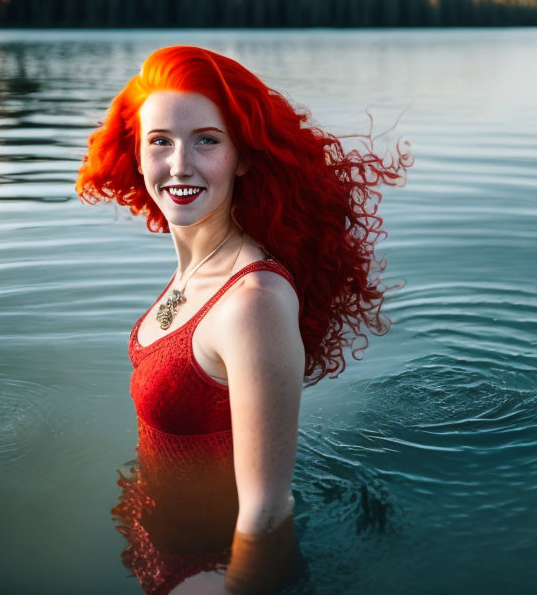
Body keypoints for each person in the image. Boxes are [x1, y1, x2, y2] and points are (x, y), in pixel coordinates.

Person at [74, 45, 413, 594]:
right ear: (135, 154)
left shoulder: (252, 300)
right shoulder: (197, 267)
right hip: (160, 548)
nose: (180, 164)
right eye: (160, 141)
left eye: (206, 140)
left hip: (211, 573)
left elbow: (268, 515)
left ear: (244, 156)